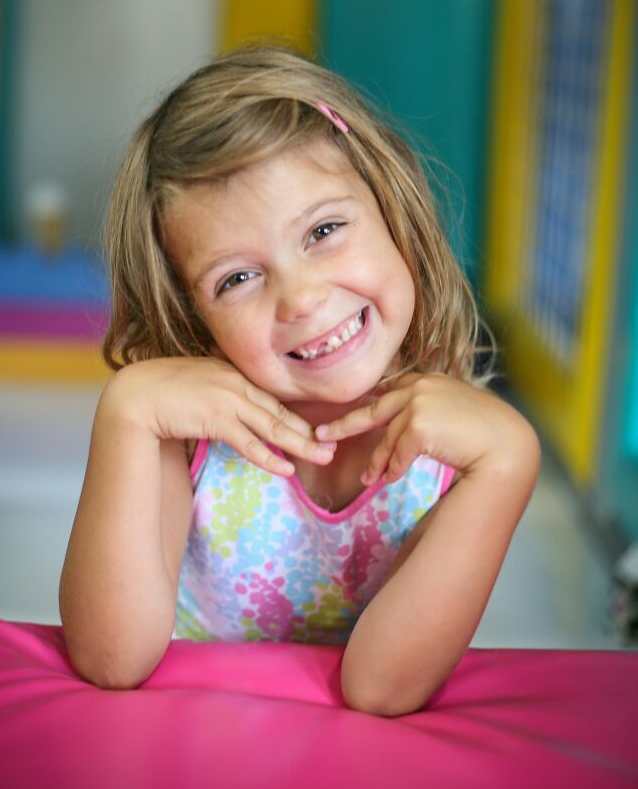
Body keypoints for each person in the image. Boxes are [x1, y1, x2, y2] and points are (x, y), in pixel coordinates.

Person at [59, 45, 540, 715]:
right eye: (237, 278)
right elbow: (111, 660)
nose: (302, 298)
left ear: (393, 210)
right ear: (193, 316)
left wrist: (509, 461)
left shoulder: (455, 450)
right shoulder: (184, 437)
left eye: (324, 230)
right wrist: (126, 412)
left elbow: (380, 689)